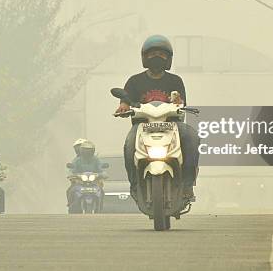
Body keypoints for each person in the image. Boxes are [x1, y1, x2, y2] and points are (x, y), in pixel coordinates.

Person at [115, 34, 200, 200]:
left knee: (192, 138)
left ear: (168, 59)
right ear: (145, 57)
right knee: (128, 146)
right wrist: (123, 107)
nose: (157, 57)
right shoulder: (134, 81)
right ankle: (134, 185)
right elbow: (124, 102)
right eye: (152, 54)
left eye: (161, 55)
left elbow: (181, 103)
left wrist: (178, 101)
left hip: (172, 126)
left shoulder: (175, 81)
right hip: (141, 127)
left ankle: (188, 186)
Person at [66, 141, 105, 211]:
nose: (87, 152)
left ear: (93, 150)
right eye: (85, 150)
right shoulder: (77, 160)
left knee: (101, 191)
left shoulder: (96, 160)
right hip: (79, 182)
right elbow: (72, 169)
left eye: (89, 150)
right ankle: (70, 204)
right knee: (70, 190)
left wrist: (102, 175)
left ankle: (100, 206)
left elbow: (101, 169)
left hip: (94, 182)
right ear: (81, 150)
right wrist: (71, 175)